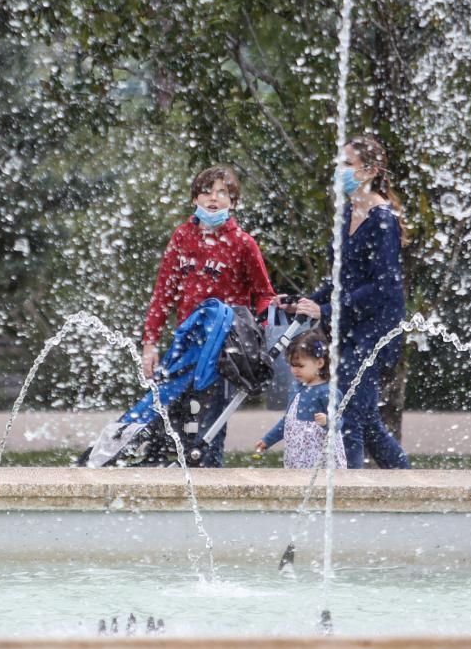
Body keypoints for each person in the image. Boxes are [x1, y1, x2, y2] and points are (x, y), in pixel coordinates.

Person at [278, 136, 411, 469]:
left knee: (348, 413)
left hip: (377, 329)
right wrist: (306, 301)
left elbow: (381, 288)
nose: (340, 170)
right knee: (363, 419)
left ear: (370, 171)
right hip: (352, 325)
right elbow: (341, 278)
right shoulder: (347, 213)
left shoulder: (383, 220)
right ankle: (404, 480)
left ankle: (348, 488)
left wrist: (324, 311)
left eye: (347, 164)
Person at [141, 165, 275, 467]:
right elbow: (163, 295)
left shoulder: (243, 243)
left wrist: (261, 333)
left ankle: (212, 485)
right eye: (206, 192)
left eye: (222, 193)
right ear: (194, 199)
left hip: (223, 350)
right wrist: (150, 343)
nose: (213, 199)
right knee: (168, 419)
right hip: (184, 345)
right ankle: (169, 481)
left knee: (210, 428)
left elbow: (264, 293)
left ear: (233, 201)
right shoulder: (182, 237)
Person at [255, 329, 347, 469]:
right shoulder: (296, 387)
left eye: (300, 366)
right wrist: (268, 440)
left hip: (320, 460)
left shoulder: (327, 391)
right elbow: (288, 421)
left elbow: (339, 422)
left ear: (320, 363)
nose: (295, 370)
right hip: (297, 457)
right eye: (292, 365)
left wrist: (327, 422)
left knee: (318, 488)